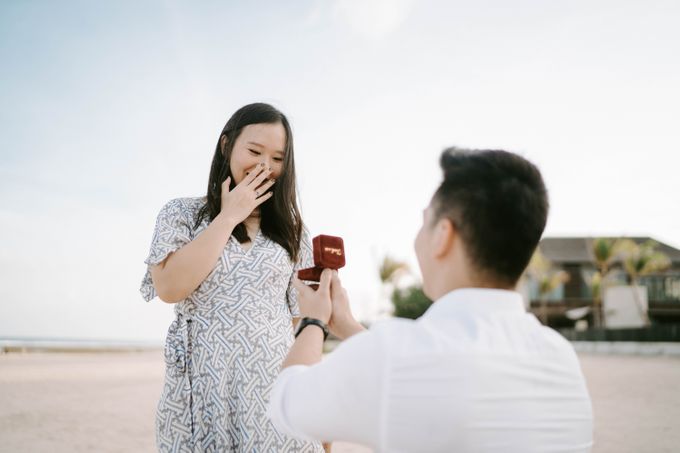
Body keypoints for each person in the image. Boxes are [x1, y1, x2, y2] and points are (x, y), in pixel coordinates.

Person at [268, 148, 594, 452]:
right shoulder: (561, 360)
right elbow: (420, 370)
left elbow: (287, 404)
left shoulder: (394, 357)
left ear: (443, 235)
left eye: (424, 222)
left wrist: (313, 322)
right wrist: (348, 325)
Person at [140, 103, 324, 452]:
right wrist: (228, 217)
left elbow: (302, 325)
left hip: (273, 392)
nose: (264, 166)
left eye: (277, 158)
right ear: (227, 146)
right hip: (203, 392)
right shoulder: (182, 213)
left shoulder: (294, 233)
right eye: (254, 151)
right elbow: (170, 287)